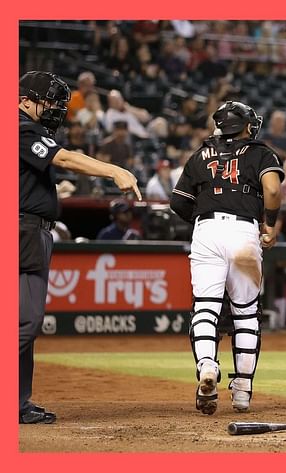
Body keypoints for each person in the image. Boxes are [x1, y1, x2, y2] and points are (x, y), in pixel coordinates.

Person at [19, 71, 140, 424]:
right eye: (49, 101)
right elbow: (65, 158)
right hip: (20, 230)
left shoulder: (29, 129)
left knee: (23, 322)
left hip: (31, 229)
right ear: (25, 100)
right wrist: (114, 170)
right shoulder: (19, 126)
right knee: (26, 322)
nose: (56, 108)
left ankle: (18, 403)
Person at [170, 101, 284, 415]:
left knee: (205, 306)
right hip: (244, 233)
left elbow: (178, 203)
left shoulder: (200, 154)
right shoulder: (260, 152)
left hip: (206, 231)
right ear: (246, 125)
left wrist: (204, 217)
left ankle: (207, 366)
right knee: (246, 314)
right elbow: (272, 191)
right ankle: (243, 390)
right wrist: (270, 225)